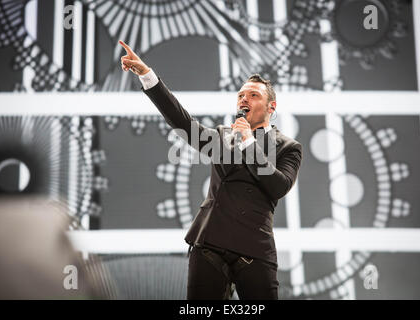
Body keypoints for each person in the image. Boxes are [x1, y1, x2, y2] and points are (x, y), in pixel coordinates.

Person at [119, 40, 302, 300]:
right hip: (210, 243)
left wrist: (249, 142)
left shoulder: (288, 147)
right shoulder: (222, 136)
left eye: (253, 95)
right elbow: (182, 121)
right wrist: (148, 76)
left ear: (271, 107)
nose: (244, 99)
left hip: (254, 247)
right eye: (240, 95)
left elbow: (279, 185)